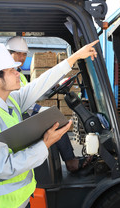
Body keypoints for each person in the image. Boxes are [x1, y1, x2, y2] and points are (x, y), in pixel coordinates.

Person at [0, 40, 98, 208]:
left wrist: (75, 57)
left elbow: (38, 85)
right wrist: (45, 143)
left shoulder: (9, 100)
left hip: (20, 200)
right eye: (11, 70)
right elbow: (3, 168)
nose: (18, 73)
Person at [6, 36, 92, 172]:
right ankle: (70, 161)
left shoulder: (19, 75)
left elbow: (28, 96)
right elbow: (21, 101)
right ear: (8, 53)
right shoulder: (8, 76)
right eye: (17, 53)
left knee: (50, 113)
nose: (21, 57)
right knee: (54, 118)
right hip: (18, 119)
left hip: (22, 113)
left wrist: (51, 89)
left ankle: (67, 159)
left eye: (24, 54)